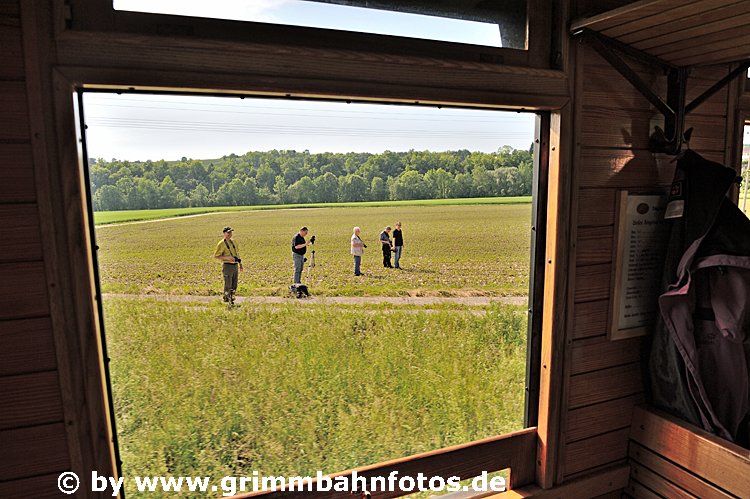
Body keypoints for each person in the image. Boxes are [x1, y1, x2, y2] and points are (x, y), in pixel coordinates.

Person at [214, 226, 243, 302]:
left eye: (231, 232)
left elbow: (237, 254)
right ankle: (226, 299)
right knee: (228, 284)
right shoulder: (221, 244)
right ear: (224, 233)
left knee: (234, 284)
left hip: (235, 265)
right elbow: (216, 256)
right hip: (227, 266)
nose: (230, 234)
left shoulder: (233, 242)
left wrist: (240, 264)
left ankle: (232, 297)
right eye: (228, 232)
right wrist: (228, 258)